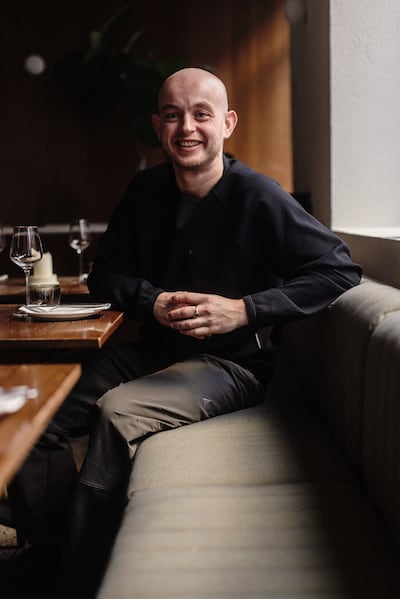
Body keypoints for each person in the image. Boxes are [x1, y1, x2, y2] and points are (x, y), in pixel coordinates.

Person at [5, 67, 362, 597]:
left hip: (231, 365)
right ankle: (55, 551)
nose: (187, 127)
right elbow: (107, 274)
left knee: (117, 412)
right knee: (36, 412)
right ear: (158, 126)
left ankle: (75, 576)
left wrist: (245, 310)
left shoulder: (259, 195)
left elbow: (339, 270)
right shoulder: (145, 189)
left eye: (201, 114)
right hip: (150, 352)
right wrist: (152, 300)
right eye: (173, 115)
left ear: (228, 123)